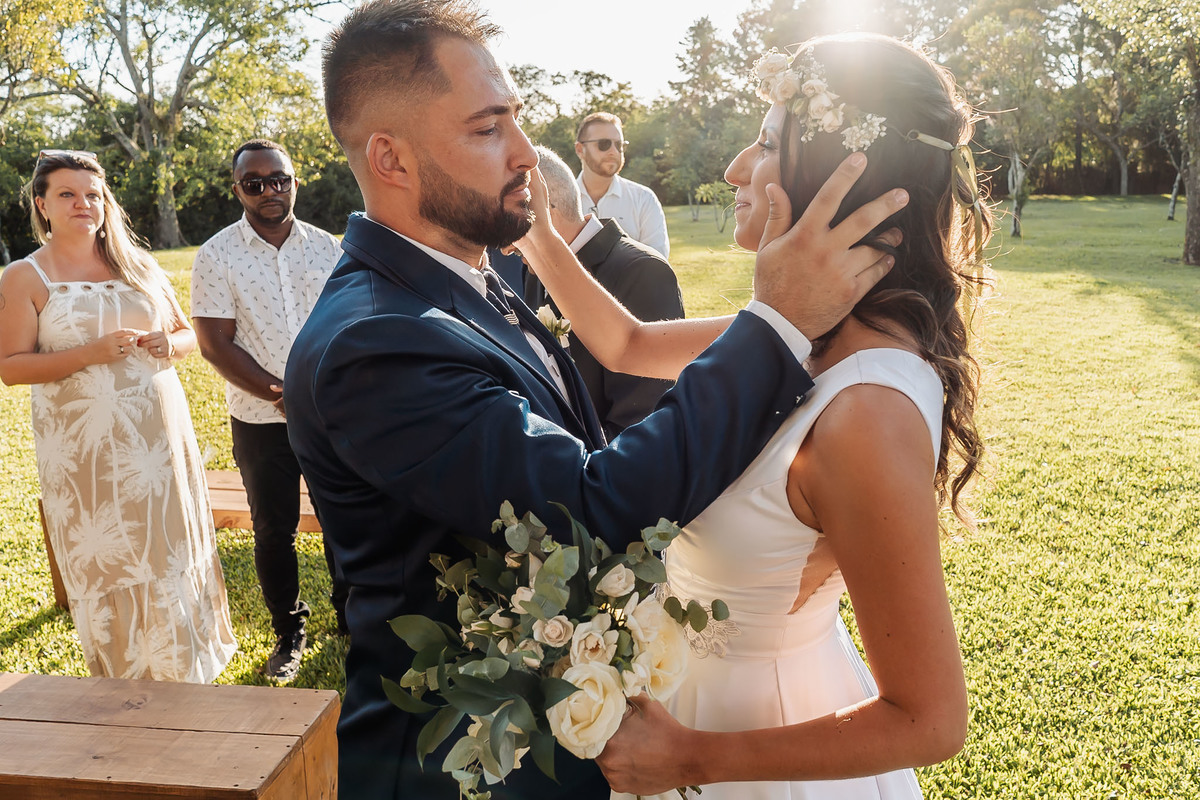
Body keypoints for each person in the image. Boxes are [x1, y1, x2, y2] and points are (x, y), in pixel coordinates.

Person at [283, 2, 905, 798]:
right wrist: (776, 322)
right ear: (391, 159)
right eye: (488, 128)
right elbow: (588, 502)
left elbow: (616, 365)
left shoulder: (468, 275)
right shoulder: (376, 342)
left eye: (516, 118)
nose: (524, 153)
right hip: (468, 767)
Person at [538, 34, 991, 799]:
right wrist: (535, 233)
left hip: (756, 750)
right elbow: (627, 343)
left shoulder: (868, 411)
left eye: (767, 143)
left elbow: (932, 720)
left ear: (845, 179)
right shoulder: (795, 332)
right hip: (688, 705)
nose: (734, 169)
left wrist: (688, 759)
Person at [0, 150, 237, 682]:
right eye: (67, 194)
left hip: (158, 439)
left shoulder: (139, 265)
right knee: (112, 554)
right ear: (42, 204)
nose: (82, 204)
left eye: (93, 194)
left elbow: (187, 336)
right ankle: (128, 683)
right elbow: (10, 368)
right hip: (85, 448)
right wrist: (91, 353)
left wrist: (168, 343)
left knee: (169, 544)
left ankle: (189, 672)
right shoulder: (24, 276)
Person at [191, 139, 347, 684]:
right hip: (260, 419)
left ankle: (352, 620)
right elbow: (215, 344)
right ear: (237, 190)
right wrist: (282, 394)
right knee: (273, 530)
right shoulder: (216, 255)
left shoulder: (329, 248)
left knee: (342, 519)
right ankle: (289, 631)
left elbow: (350, 325)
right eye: (254, 184)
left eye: (278, 179)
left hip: (331, 414)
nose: (269, 191)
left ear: (295, 182)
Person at [524, 145, 684, 438]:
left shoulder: (643, 272)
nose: (503, 248)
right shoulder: (535, 268)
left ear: (544, 213)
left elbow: (642, 419)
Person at [575, 111, 671, 257]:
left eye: (619, 145)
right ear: (580, 149)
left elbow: (656, 261)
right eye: (604, 144)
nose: (614, 151)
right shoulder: (556, 202)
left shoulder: (644, 199)